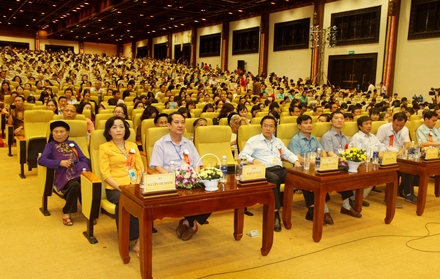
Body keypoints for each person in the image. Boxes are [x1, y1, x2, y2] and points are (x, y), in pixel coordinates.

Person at [150, 112, 207, 241]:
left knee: (211, 193)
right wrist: (173, 177)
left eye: (182, 122)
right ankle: (191, 223)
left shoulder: (189, 143)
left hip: (191, 179)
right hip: (171, 179)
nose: (180, 125)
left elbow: (198, 163)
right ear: (169, 125)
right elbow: (157, 166)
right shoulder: (160, 144)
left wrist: (196, 174)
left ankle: (188, 221)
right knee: (186, 196)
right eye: (176, 122)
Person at [240, 115, 301, 232]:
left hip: (279, 168)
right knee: (274, 179)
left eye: (271, 126)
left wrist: (296, 161)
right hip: (264, 170)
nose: (268, 129)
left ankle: (309, 208)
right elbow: (242, 155)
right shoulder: (253, 140)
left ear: (275, 128)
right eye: (265, 126)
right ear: (261, 127)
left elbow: (287, 154)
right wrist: (253, 160)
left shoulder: (278, 141)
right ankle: (275, 213)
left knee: (296, 176)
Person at [98, 116, 146, 256]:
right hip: (116, 188)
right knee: (126, 202)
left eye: (121, 126)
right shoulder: (104, 147)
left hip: (135, 184)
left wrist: (137, 183)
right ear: (109, 131)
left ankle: (140, 238)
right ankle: (131, 238)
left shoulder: (132, 146)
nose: (118, 130)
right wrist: (122, 188)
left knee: (146, 201)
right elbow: (105, 174)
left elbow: (140, 167)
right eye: (114, 127)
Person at [38, 121, 90, 226]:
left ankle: (89, 212)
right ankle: (67, 213)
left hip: (78, 173)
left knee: (87, 184)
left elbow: (84, 158)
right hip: (62, 175)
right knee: (75, 186)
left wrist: (81, 166)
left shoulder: (73, 144)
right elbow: (41, 160)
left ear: (67, 133)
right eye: (56, 132)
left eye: (62, 131)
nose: (59, 134)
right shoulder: (50, 145)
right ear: (52, 134)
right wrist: (59, 163)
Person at [288, 115, 335, 224]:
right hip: (301, 168)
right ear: (299, 126)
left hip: (316, 167)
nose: (309, 125)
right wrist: (313, 161)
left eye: (310, 123)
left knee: (323, 179)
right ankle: (323, 211)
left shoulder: (314, 139)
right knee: (311, 180)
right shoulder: (295, 140)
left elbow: (322, 151)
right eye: (305, 123)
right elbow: (297, 157)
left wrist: (322, 158)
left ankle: (314, 210)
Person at [320, 111, 362, 217]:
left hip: (343, 165)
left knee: (352, 173)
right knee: (345, 174)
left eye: (341, 118)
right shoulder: (327, 136)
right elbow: (330, 154)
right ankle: (325, 209)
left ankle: (347, 205)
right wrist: (344, 161)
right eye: (336, 118)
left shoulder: (346, 138)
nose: (339, 120)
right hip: (331, 165)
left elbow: (349, 152)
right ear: (331, 121)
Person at [377, 112, 417, 204]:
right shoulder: (384, 128)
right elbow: (377, 143)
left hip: (399, 154)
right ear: (392, 121)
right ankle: (391, 197)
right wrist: (390, 152)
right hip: (386, 154)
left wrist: (402, 150)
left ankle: (408, 194)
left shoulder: (405, 129)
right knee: (395, 168)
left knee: (409, 166)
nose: (398, 128)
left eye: (401, 126)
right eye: (396, 125)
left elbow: (407, 143)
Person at [350, 116, 388, 203]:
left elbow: (381, 146)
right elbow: (359, 153)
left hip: (375, 160)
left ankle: (359, 197)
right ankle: (356, 198)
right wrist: (375, 155)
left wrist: (381, 151)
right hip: (363, 162)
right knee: (372, 176)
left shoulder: (373, 136)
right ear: (360, 126)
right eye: (366, 124)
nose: (369, 126)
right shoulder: (357, 137)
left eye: (370, 123)